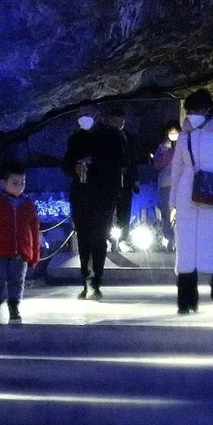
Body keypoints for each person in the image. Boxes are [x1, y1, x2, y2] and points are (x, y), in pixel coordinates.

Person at [170, 89, 213, 314]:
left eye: (196, 110)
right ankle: (186, 299)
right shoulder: (185, 135)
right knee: (186, 249)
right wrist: (173, 202)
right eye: (189, 110)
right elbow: (177, 168)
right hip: (188, 195)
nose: (191, 114)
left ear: (207, 110)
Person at [61, 105, 127, 300]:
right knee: (83, 239)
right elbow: (66, 163)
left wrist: (94, 162)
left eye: (86, 114)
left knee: (99, 238)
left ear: (96, 116)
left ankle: (96, 280)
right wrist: (75, 167)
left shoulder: (112, 136)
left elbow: (121, 161)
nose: (83, 118)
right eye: (80, 115)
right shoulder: (76, 138)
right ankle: (86, 280)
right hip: (81, 194)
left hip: (104, 194)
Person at [0, 162, 40, 322]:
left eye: (22, 183)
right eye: (15, 183)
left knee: (17, 280)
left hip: (21, 252)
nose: (19, 187)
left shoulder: (28, 204)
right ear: (3, 183)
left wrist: (34, 255)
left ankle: (14, 306)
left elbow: (34, 231)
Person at [107, 108, 140, 248]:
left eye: (122, 122)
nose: (119, 124)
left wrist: (135, 179)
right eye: (116, 121)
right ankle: (108, 238)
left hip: (125, 179)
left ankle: (122, 238)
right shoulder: (104, 137)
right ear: (110, 121)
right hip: (108, 179)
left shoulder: (129, 138)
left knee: (125, 209)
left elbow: (133, 160)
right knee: (108, 209)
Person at [153, 119, 181, 250]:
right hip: (166, 184)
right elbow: (158, 164)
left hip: (182, 184)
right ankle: (169, 238)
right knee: (166, 212)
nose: (173, 135)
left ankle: (179, 239)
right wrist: (168, 152)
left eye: (176, 132)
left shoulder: (185, 145)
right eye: (171, 132)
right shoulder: (163, 147)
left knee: (181, 212)